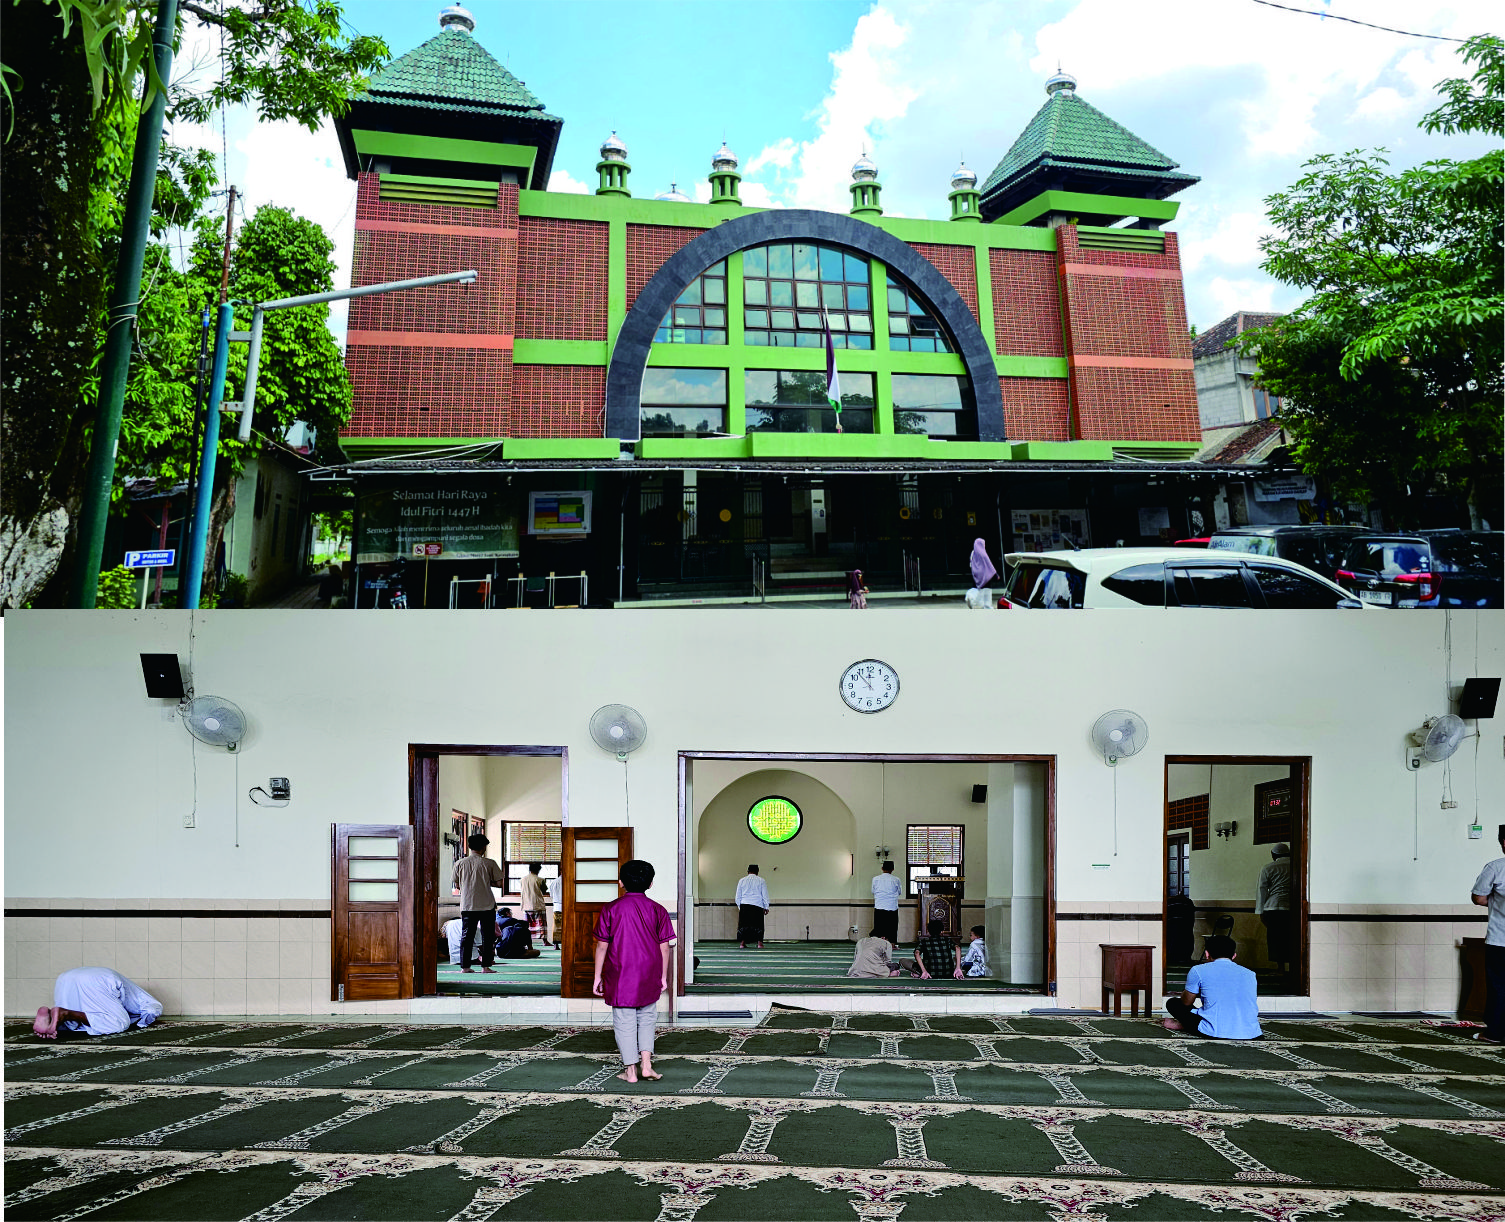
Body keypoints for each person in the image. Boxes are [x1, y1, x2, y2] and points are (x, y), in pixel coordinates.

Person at [593, 858, 676, 1084]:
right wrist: (663, 976)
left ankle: (631, 1071)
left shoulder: (611, 908)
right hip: (649, 970)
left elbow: (602, 945)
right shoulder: (658, 910)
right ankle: (646, 1065)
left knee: (624, 1020)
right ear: (650, 884)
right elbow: (665, 948)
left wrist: (597, 976)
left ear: (621, 882)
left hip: (620, 973)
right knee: (648, 1017)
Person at [1163, 934, 1263, 1039]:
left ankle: (1184, 1025)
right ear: (1234, 956)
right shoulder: (1250, 974)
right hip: (1252, 1034)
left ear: (1207, 954)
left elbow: (1186, 1002)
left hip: (1214, 1032)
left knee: (1173, 1003)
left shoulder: (1198, 970)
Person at [34, 967, 162, 1038]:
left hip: (65, 977)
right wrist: (143, 1023)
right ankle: (66, 1014)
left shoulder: (133, 990)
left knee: (73, 1025)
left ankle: (50, 1017)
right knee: (120, 1023)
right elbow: (151, 1011)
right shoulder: (148, 1002)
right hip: (99, 981)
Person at [1469, 824, 1505, 1045]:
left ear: (1504, 843)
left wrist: (1496, 901)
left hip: (1500, 940)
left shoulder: (1496, 868)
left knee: (1499, 987)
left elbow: (1479, 898)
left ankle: (1494, 1034)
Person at [450, 832, 505, 974]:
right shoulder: (489, 863)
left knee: (467, 936)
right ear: (483, 848)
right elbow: (499, 884)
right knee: (488, 937)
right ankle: (486, 967)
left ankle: (465, 967)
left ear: (469, 847)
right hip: (486, 905)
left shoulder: (459, 863)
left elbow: (457, 885)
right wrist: (486, 881)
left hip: (468, 905)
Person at [1255, 843, 1293, 975]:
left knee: (1276, 939)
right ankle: (1294, 969)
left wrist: (1260, 912)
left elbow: (1262, 890)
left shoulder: (1268, 867)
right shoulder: (1296, 866)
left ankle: (1280, 968)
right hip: (1292, 908)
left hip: (1273, 908)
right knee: (1291, 938)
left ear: (1274, 855)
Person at [735, 863, 770, 949]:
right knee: (758, 926)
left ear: (748, 871)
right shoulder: (761, 880)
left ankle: (742, 943)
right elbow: (765, 895)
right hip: (757, 906)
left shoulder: (742, 880)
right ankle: (759, 944)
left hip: (744, 905)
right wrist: (766, 907)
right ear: (757, 871)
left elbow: (737, 897)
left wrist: (741, 907)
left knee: (744, 926)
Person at [871, 860, 902, 944]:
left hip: (879, 906)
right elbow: (899, 892)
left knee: (879, 927)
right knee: (892, 927)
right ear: (893, 869)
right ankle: (892, 944)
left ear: (882, 868)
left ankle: (878, 944)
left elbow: (873, 891)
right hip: (892, 907)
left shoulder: (875, 879)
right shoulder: (896, 880)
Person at [520, 862, 549, 945]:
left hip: (525, 905)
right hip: (537, 904)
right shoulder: (540, 880)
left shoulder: (522, 879)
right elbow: (544, 891)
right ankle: (545, 941)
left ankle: (527, 942)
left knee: (527, 926)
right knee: (541, 925)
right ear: (538, 870)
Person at [547, 870, 563, 950]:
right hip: (566, 906)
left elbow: (551, 895)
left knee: (556, 927)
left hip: (557, 906)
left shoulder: (554, 882)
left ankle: (556, 945)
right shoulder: (568, 881)